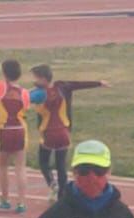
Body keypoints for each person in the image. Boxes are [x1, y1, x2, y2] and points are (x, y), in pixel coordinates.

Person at [28, 65, 108, 203]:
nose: (33, 81)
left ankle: (52, 184)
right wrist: (99, 83)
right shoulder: (62, 86)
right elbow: (78, 84)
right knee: (61, 166)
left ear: (42, 78)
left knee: (43, 162)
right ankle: (63, 198)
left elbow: (24, 99)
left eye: (35, 78)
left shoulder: (40, 93)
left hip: (48, 133)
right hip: (64, 131)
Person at [0, 59, 30, 213]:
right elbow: (25, 108)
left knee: (2, 166)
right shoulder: (25, 93)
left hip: (3, 129)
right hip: (20, 129)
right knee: (20, 167)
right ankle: (21, 202)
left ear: (4, 73)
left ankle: (5, 199)